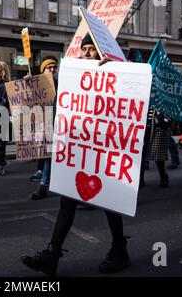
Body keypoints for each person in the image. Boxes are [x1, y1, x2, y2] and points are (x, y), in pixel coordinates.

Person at [21, 34, 130, 276]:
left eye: (93, 49)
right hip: (79, 149)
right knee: (67, 200)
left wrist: (117, 68)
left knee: (109, 201)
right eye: (85, 49)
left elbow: (134, 91)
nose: (88, 54)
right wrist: (33, 86)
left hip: (104, 148)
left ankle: (120, 250)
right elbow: (51, 101)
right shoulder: (72, 78)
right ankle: (52, 254)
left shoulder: (115, 71)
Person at [28, 56, 58, 200]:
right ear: (43, 70)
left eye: (54, 67)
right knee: (47, 157)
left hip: (59, 126)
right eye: (48, 67)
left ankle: (43, 186)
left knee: (50, 157)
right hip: (43, 126)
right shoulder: (35, 85)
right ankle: (45, 185)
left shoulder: (61, 84)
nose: (52, 70)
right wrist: (27, 85)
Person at [140, 107, 170, 188]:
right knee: (140, 155)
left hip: (158, 127)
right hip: (141, 127)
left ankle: (163, 176)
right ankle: (140, 179)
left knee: (158, 154)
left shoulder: (159, 96)